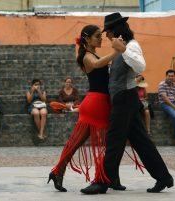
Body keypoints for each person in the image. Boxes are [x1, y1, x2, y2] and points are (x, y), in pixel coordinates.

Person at [81, 12, 174, 194]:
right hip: (124, 99)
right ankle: (163, 177)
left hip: (125, 99)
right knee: (141, 142)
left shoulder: (131, 45)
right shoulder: (119, 47)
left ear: (116, 30)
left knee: (114, 140)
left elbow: (141, 66)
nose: (106, 35)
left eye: (108, 31)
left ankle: (102, 182)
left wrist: (123, 50)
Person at [48, 25, 125, 193]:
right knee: (104, 144)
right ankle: (104, 178)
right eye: (97, 36)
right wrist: (116, 51)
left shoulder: (92, 54)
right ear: (87, 39)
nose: (101, 38)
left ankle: (59, 172)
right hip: (96, 104)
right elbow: (97, 64)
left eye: (100, 35)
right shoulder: (87, 57)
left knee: (101, 144)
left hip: (98, 103)